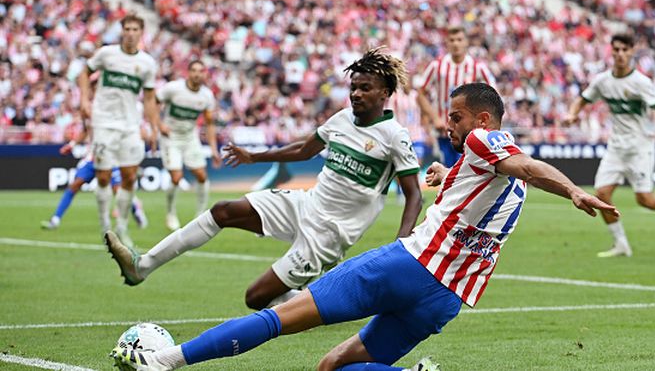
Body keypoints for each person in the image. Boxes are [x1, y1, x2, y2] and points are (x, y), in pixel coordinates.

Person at [110, 83, 619, 371]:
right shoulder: (502, 183)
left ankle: (165, 362)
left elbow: (526, 164)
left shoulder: (487, 142)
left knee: (280, 317)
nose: (450, 126)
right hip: (447, 298)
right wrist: (448, 175)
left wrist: (573, 188)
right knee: (332, 367)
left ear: (483, 120)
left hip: (408, 266)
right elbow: (493, 189)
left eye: (457, 118)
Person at [104, 47, 423, 310]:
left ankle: (316, 305)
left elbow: (413, 195)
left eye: (364, 88)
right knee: (223, 211)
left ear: (385, 93)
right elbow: (303, 150)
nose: (355, 94)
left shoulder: (394, 137)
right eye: (353, 86)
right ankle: (140, 267)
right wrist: (254, 156)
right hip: (304, 204)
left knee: (256, 298)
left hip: (328, 234)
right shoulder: (341, 119)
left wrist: (401, 244)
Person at [564, 33, 655, 257]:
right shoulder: (602, 81)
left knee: (645, 199)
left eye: (625, 50)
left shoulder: (641, 83)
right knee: (601, 194)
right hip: (616, 147)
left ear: (631, 52)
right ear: (611, 51)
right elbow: (582, 99)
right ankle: (621, 244)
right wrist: (572, 114)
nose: (620, 54)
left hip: (639, 147)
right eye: (616, 49)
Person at [78, 13, 160, 247]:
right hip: (103, 122)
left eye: (136, 29)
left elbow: (150, 97)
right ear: (121, 31)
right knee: (103, 177)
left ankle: (122, 227)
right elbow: (84, 72)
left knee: (129, 177)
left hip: (130, 125)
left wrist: (153, 127)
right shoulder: (107, 54)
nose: (131, 33)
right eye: (127, 29)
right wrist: (84, 100)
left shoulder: (147, 63)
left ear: (141, 33)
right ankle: (105, 225)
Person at [417, 25, 497, 167]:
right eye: (452, 40)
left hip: (469, 131)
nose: (456, 44)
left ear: (466, 42)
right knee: (448, 172)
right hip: (444, 129)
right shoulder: (437, 66)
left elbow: (493, 94)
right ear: (447, 42)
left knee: (466, 174)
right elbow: (421, 94)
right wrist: (435, 118)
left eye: (459, 40)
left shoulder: (477, 67)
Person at [156, 60, 221, 231]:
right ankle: (170, 213)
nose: (197, 74)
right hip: (170, 136)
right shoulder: (173, 88)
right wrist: (158, 124)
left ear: (205, 74)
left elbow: (209, 123)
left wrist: (214, 149)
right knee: (176, 178)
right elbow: (152, 102)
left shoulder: (207, 96)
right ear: (188, 72)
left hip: (190, 137)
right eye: (194, 70)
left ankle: (200, 215)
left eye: (201, 71)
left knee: (201, 175)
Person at [40, 131, 148, 230]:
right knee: (74, 185)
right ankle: (55, 219)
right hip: (92, 159)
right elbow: (85, 129)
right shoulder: (89, 112)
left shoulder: (111, 114)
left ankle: (136, 209)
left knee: (118, 191)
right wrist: (72, 145)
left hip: (110, 158)